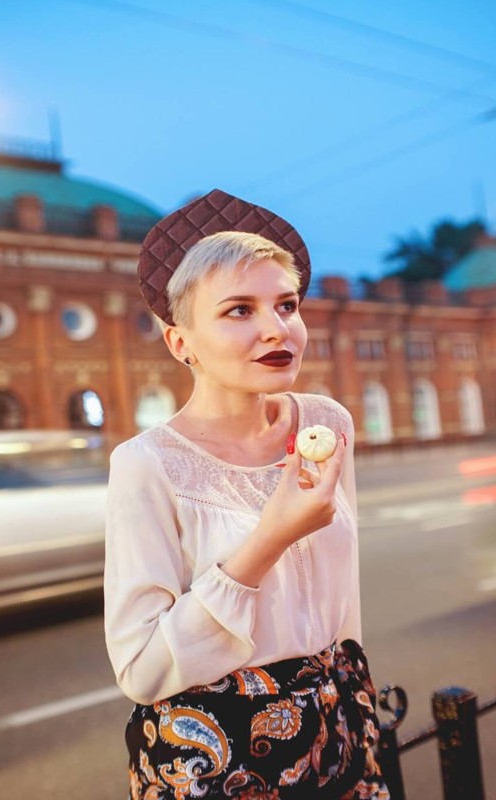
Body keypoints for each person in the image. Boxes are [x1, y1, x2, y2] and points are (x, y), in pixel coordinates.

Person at [104, 190, 389, 799]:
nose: (275, 328)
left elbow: (345, 606)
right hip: (215, 759)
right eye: (239, 310)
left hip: (341, 733)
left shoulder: (326, 423)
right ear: (181, 343)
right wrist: (270, 539)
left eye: (286, 305)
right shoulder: (146, 465)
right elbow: (142, 670)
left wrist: (354, 706)